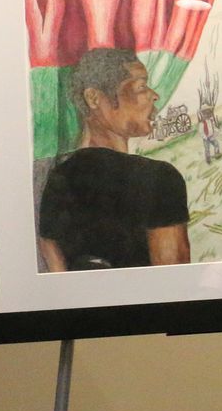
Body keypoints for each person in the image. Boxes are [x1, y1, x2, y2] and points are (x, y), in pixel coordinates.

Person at [37, 47, 190, 270]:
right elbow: (175, 283)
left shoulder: (56, 182)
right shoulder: (160, 179)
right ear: (94, 98)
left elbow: (59, 282)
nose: (154, 95)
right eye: (141, 87)